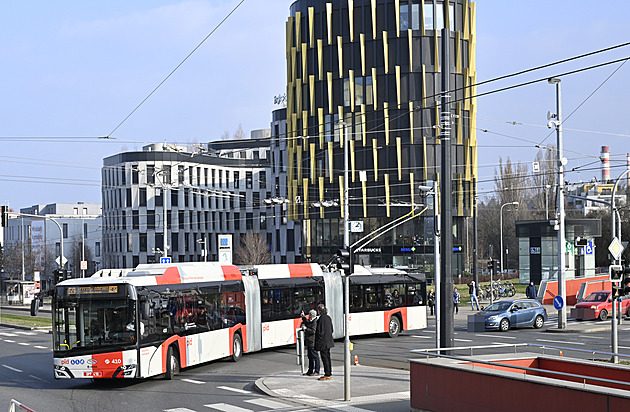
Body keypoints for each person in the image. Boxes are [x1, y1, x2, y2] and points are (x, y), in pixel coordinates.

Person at [314, 303, 334, 381]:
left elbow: (320, 332)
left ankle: (327, 374)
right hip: (329, 341)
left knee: (324, 358)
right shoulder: (328, 318)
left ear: (319, 311)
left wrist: (318, 342)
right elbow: (332, 330)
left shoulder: (321, 319)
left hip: (323, 342)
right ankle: (329, 373)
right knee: (328, 358)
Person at [301, 309, 320, 377]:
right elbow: (307, 322)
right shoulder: (311, 321)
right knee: (310, 357)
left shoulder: (315, 322)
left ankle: (317, 371)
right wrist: (303, 317)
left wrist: (306, 329)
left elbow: (313, 331)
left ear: (311, 315)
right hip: (309, 341)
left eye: (309, 315)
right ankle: (310, 371)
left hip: (312, 341)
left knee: (315, 357)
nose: (308, 316)